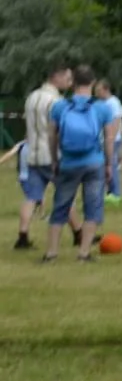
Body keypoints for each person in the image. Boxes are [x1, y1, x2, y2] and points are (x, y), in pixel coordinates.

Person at [43, 65, 115, 265]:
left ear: (73, 82)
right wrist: (109, 164)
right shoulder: (102, 108)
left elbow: (52, 136)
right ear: (93, 83)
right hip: (94, 162)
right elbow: (109, 139)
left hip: (68, 163)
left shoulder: (59, 107)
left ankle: (51, 254)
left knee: (61, 207)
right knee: (92, 208)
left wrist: (55, 159)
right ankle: (83, 254)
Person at [16, 62, 68, 251]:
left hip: (32, 153)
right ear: (56, 77)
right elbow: (60, 129)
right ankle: (79, 232)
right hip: (51, 154)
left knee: (31, 196)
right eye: (66, 78)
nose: (69, 83)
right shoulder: (56, 101)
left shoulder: (32, 97)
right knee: (65, 193)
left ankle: (22, 235)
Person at [93, 78, 122, 202]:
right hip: (105, 139)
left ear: (106, 89)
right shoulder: (104, 103)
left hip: (110, 140)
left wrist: (111, 137)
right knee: (106, 165)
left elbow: (116, 121)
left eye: (98, 90)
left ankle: (115, 193)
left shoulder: (112, 103)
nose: (96, 93)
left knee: (111, 165)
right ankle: (109, 191)